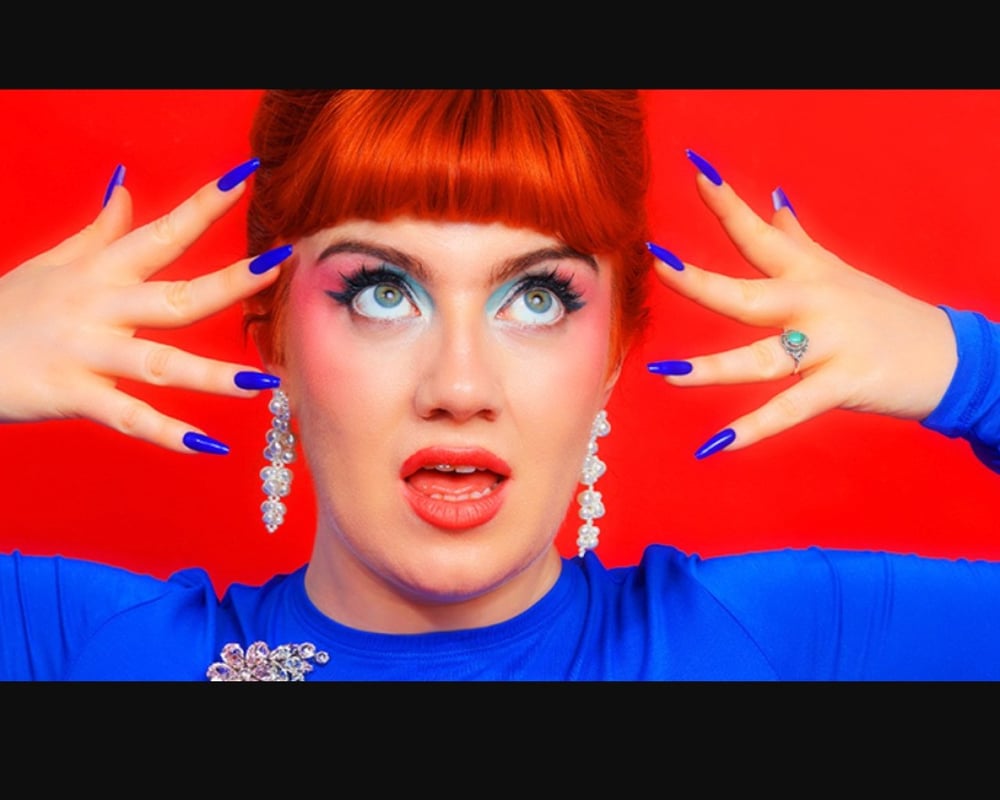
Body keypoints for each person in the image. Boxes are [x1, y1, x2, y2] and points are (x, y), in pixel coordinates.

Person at [1, 89, 999, 680]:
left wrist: (966, 368)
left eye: (536, 296)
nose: (460, 383)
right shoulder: (95, 649)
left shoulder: (761, 640)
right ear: (276, 342)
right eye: (382, 292)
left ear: (614, 350)